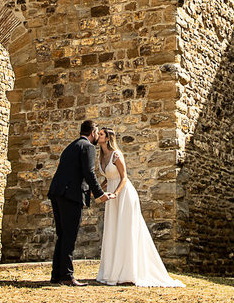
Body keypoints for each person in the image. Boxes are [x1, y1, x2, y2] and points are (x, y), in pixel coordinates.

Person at [96, 127, 184, 287]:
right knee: (113, 229)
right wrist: (98, 191)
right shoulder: (101, 156)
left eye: (101, 134)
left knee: (125, 230)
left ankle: (129, 273)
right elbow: (108, 178)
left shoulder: (116, 155)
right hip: (111, 195)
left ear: (108, 138)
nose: (98, 136)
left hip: (124, 194)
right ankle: (112, 270)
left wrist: (116, 193)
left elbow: (124, 177)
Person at [48, 119, 115, 286]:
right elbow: (89, 172)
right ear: (92, 133)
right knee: (69, 235)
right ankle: (67, 276)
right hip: (71, 195)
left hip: (57, 192)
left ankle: (57, 275)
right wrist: (100, 194)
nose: (97, 136)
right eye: (97, 132)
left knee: (62, 235)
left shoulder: (71, 146)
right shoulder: (88, 147)